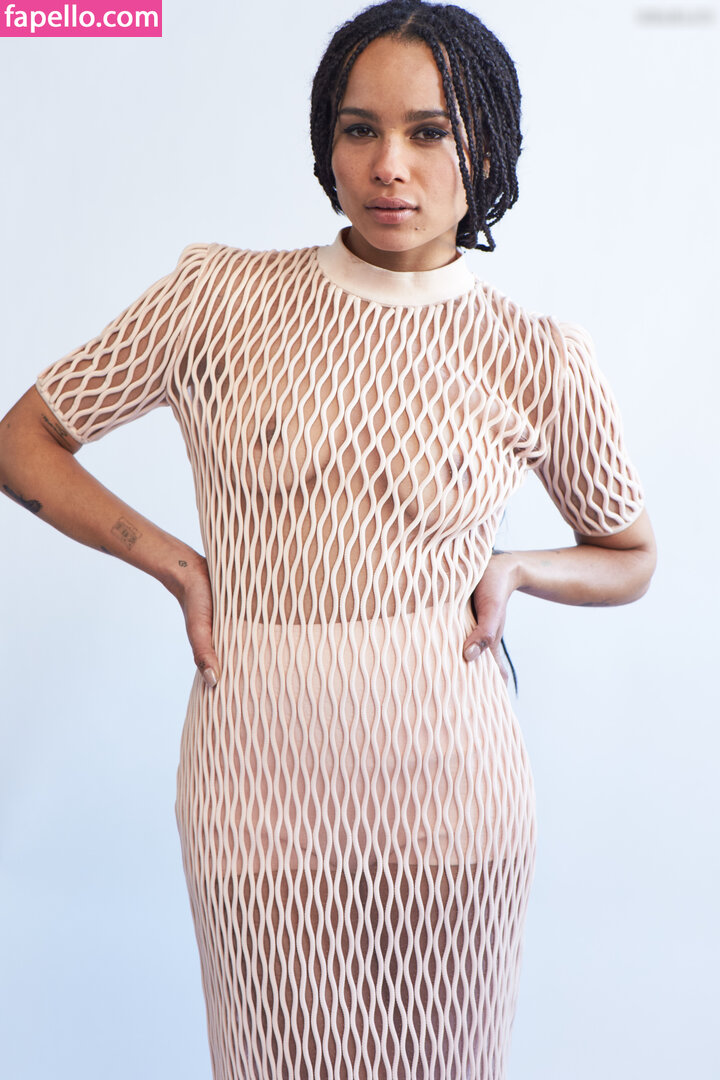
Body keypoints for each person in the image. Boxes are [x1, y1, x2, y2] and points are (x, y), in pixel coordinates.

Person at [0, 1, 657, 1078]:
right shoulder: (219, 298)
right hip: (253, 771)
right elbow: (24, 440)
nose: (389, 164)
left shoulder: (535, 354)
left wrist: (517, 568)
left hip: (452, 782)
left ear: (485, 148)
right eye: (360, 129)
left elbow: (630, 554)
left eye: (429, 131)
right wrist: (175, 563)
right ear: (328, 145)